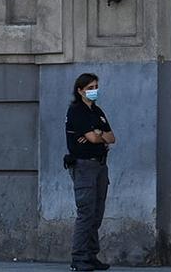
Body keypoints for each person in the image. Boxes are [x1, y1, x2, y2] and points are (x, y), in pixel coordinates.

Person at [64, 73, 115, 272]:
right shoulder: (77, 111)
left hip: (100, 166)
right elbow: (92, 139)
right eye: (90, 87)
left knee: (97, 213)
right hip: (84, 166)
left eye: (95, 86)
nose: (94, 90)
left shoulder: (97, 112)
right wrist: (96, 135)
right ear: (80, 90)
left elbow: (111, 138)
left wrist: (98, 133)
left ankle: (91, 255)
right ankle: (78, 258)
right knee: (86, 213)